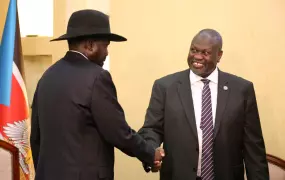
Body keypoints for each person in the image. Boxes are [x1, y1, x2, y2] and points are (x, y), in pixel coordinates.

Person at [30, 9, 164, 180]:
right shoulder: (97, 77)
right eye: (106, 46)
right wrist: (150, 154)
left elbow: (36, 137)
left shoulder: (47, 76)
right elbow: (118, 131)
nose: (107, 53)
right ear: (90, 45)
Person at [138, 29, 269, 180]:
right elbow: (151, 129)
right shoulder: (165, 87)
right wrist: (151, 152)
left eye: (205, 53)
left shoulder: (241, 90)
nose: (197, 57)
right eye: (193, 50)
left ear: (219, 55)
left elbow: (254, 148)